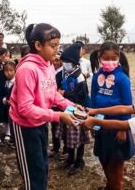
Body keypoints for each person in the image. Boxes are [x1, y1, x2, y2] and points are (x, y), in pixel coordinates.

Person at [9, 23, 78, 190]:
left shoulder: (47, 65)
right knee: (32, 173)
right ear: (38, 45)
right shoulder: (27, 69)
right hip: (24, 126)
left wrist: (71, 107)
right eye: (53, 46)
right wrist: (58, 116)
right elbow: (25, 108)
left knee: (43, 167)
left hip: (40, 122)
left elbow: (52, 94)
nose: (57, 50)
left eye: (58, 46)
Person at [89, 41, 135, 190]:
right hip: (101, 124)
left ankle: (116, 186)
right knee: (103, 157)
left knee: (116, 162)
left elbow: (128, 106)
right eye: (106, 58)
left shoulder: (122, 79)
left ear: (119, 57)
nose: (109, 61)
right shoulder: (97, 77)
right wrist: (94, 123)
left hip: (117, 127)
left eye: (113, 58)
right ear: (99, 57)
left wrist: (123, 128)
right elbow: (93, 101)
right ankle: (110, 185)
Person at [56, 43, 90, 175]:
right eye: (63, 61)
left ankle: (79, 161)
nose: (64, 63)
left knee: (79, 137)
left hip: (78, 110)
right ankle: (70, 158)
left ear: (73, 62)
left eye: (66, 61)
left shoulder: (79, 77)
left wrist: (65, 94)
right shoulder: (65, 73)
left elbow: (81, 96)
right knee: (67, 136)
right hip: (66, 109)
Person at [2, 61, 16, 144]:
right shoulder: (5, 82)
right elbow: (4, 93)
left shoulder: (16, 82)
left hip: (14, 107)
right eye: (6, 71)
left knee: (14, 122)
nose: (9, 73)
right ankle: (11, 135)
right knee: (8, 120)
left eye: (11, 70)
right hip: (7, 105)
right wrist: (5, 99)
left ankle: (14, 139)